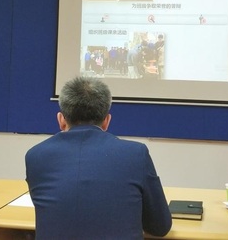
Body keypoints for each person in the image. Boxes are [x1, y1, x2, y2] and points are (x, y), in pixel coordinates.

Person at [25, 76, 172, 240]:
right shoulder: (136, 154)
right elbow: (160, 226)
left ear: (61, 120)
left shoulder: (35, 156)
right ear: (106, 121)